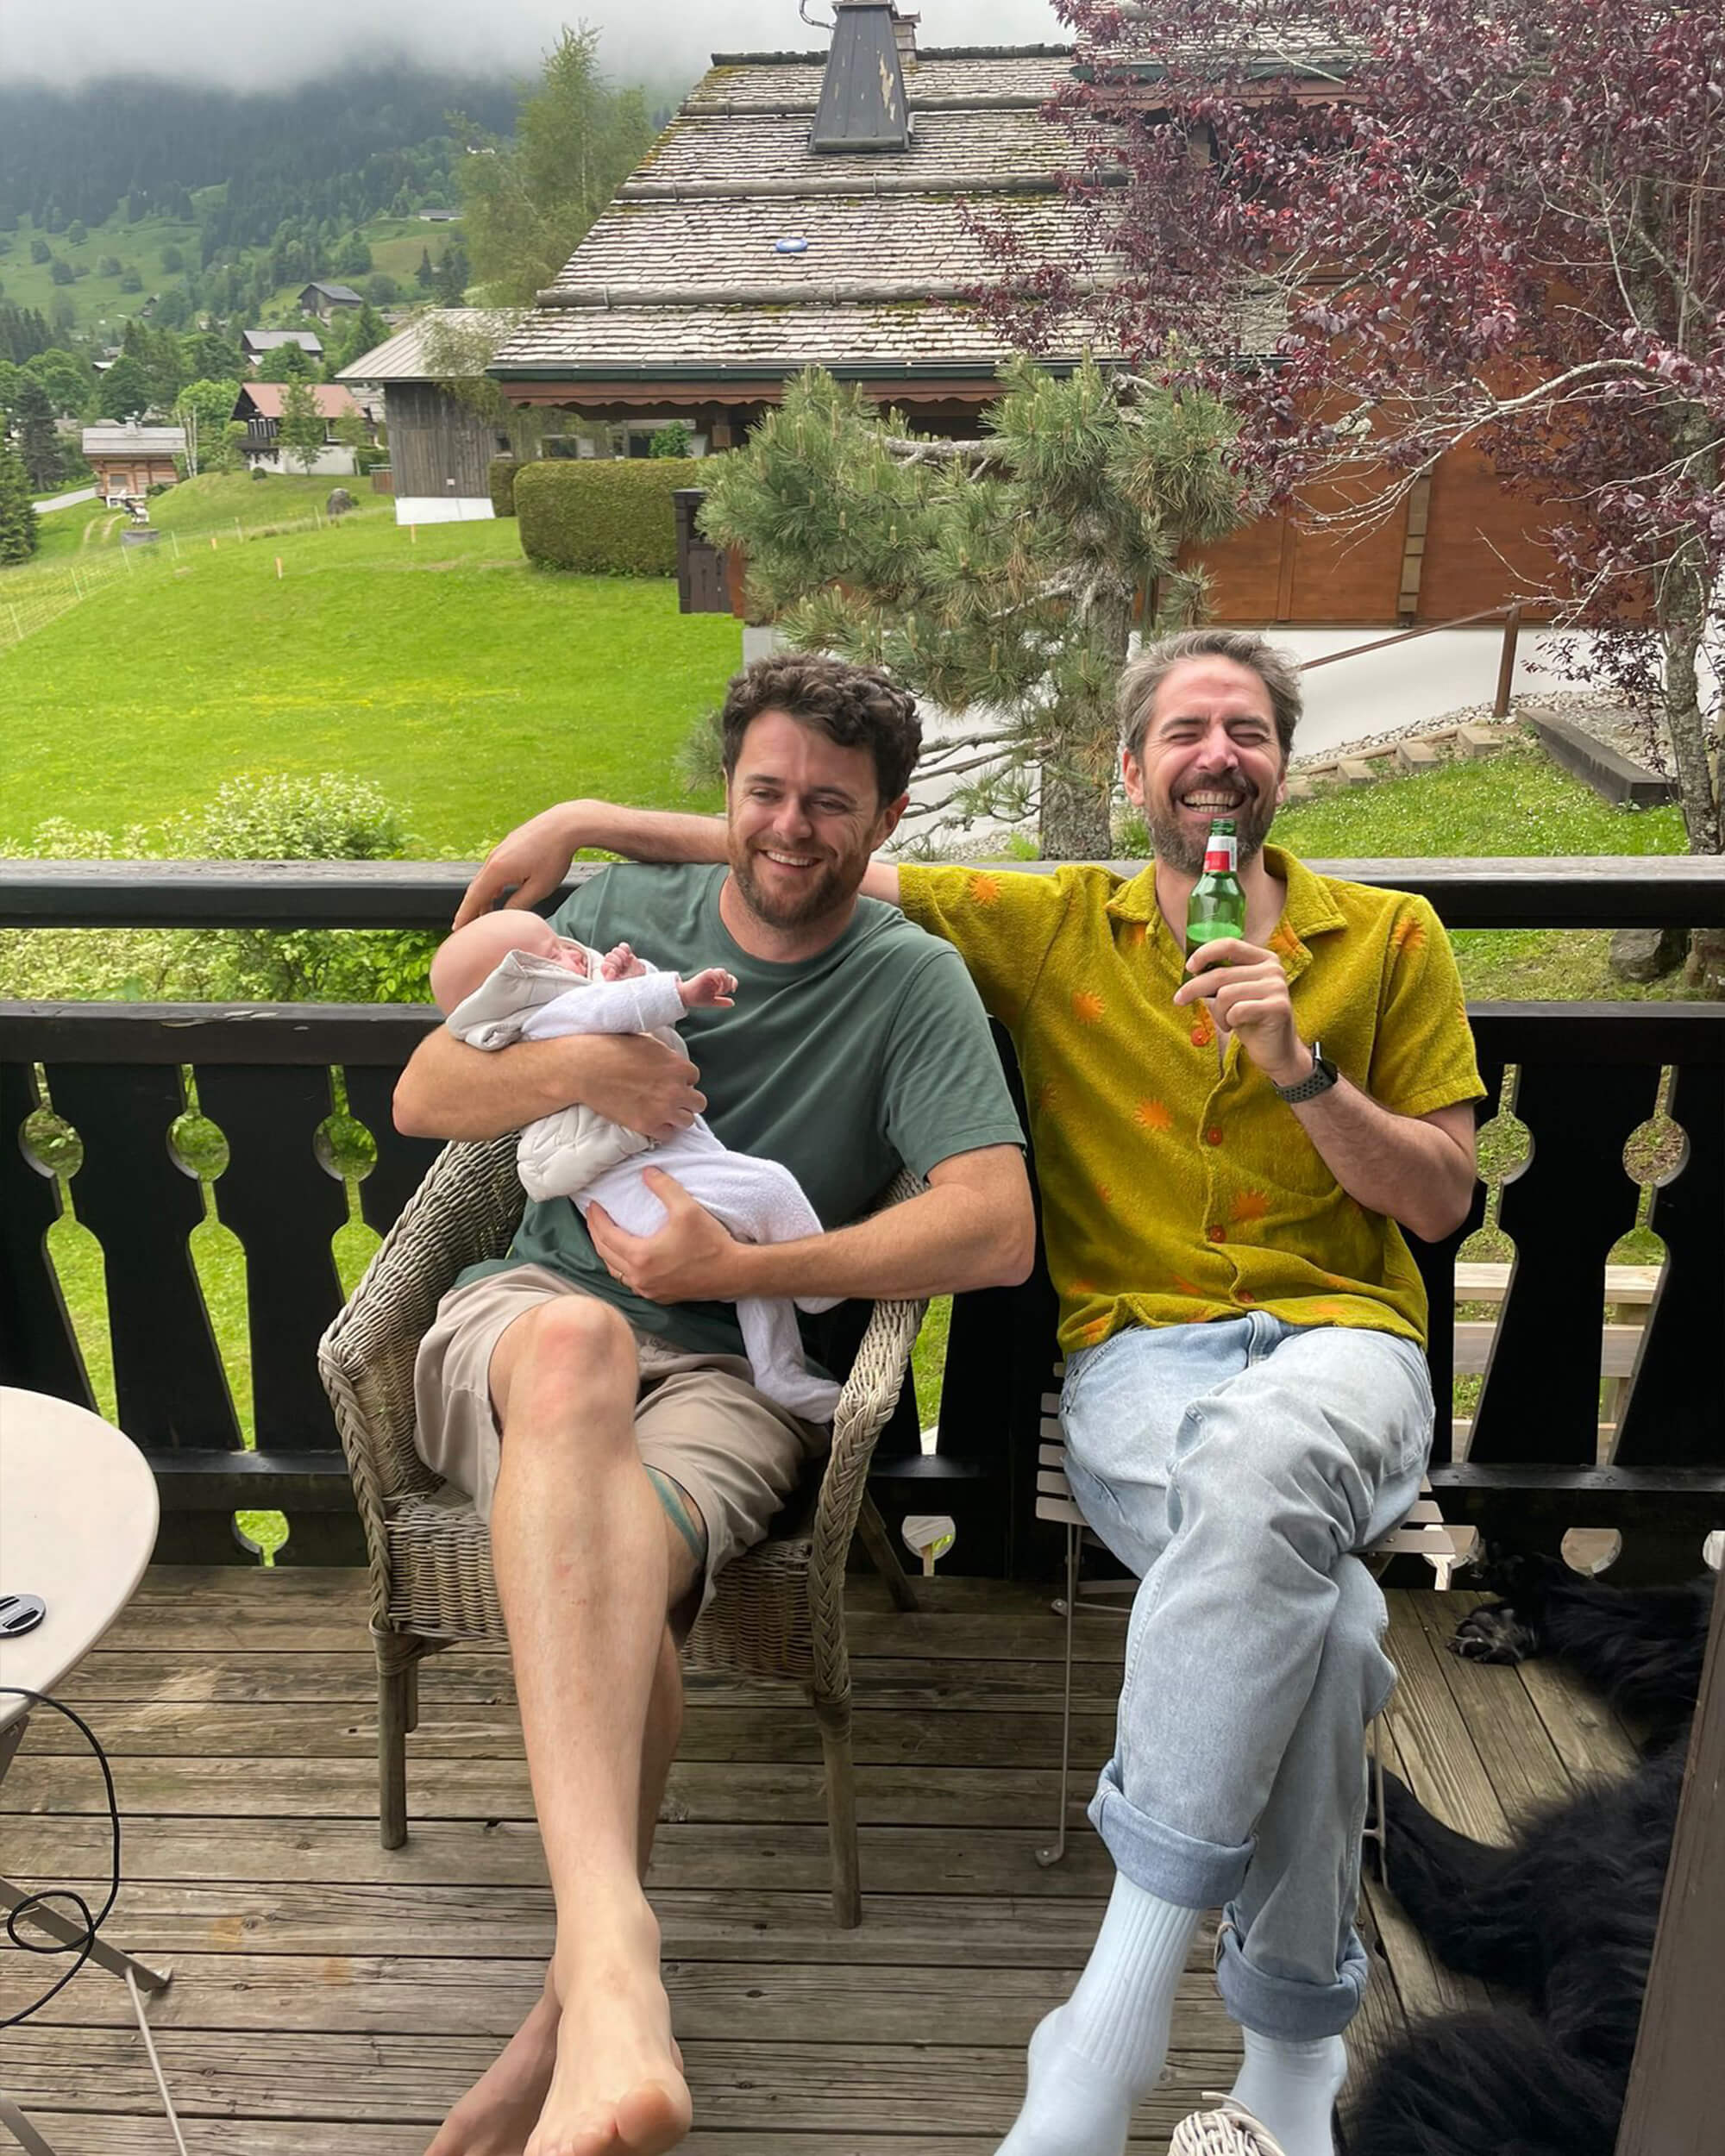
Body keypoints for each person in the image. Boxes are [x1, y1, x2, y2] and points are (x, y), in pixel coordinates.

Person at [455, 628, 1485, 2156]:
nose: (1218, 754)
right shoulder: (1055, 928)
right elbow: (811, 842)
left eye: (1249, 731)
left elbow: (1442, 1205)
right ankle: (1290, 2062)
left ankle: (1103, 2034)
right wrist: (588, 822)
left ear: (1283, 765)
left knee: (1274, 1470)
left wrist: (1299, 1067)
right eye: (1185, 730)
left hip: (1347, 1346)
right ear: (1128, 771)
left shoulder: (1392, 939)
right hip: (1142, 1359)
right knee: (1327, 1626)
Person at [396, 650, 1034, 2156]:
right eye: (765, 791)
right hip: (522, 1318)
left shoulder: (910, 982)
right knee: (575, 1349)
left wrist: (745, 1263)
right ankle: (610, 1972)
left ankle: (580, 2015)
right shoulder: (626, 913)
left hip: (732, 1375)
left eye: (833, 803)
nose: (791, 827)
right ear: (727, 795)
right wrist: (594, 1071)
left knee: (610, 1550)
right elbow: (428, 1093)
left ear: (886, 821)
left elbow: (996, 1230)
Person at [430, 908, 841, 1423]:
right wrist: (678, 992)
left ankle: (780, 1374)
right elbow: (611, 1010)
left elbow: (622, 1011)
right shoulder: (547, 1017)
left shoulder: (561, 1013)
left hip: (649, 1177)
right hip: (639, 1188)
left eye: (561, 942)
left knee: (750, 1262)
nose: (570, 951)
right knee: (768, 1187)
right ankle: (820, 1287)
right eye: (551, 954)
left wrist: (634, 976)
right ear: (513, 986)